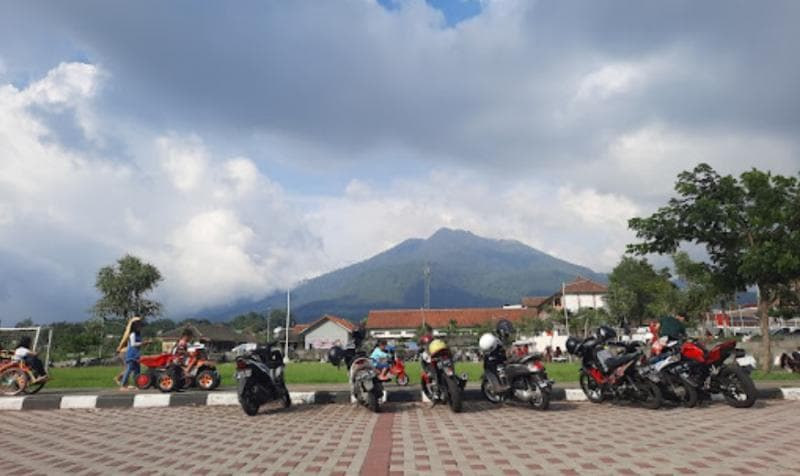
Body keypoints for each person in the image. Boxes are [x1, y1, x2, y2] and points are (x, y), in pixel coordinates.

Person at [119, 317, 148, 390]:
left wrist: (144, 344)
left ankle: (137, 384)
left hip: (136, 355)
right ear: (134, 326)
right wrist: (143, 343)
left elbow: (138, 344)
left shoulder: (138, 335)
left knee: (137, 370)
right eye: (138, 326)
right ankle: (122, 385)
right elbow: (133, 344)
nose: (140, 327)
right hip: (131, 354)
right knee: (129, 369)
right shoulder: (132, 334)